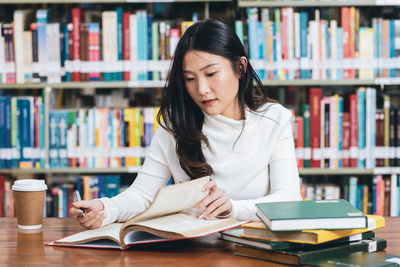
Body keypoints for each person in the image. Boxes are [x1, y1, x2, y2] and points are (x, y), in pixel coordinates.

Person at [70, 18, 302, 229]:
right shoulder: (175, 124)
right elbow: (142, 196)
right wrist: (105, 208)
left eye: (210, 74)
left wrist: (233, 208)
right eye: (190, 79)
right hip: (193, 250)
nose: (201, 89)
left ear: (240, 68)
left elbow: (289, 199)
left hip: (253, 248)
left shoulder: (274, 119)